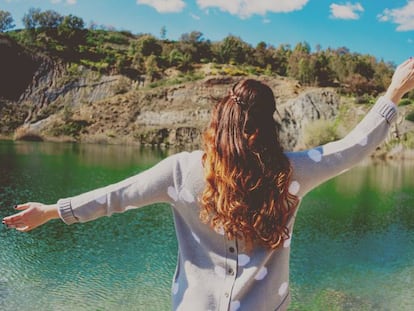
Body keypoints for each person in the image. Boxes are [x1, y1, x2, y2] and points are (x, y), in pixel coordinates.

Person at [3, 58, 414, 311]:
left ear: (219, 121)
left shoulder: (182, 171)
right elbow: (353, 148)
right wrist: (394, 90)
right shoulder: (291, 173)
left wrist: (54, 211)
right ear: (267, 124)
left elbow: (117, 197)